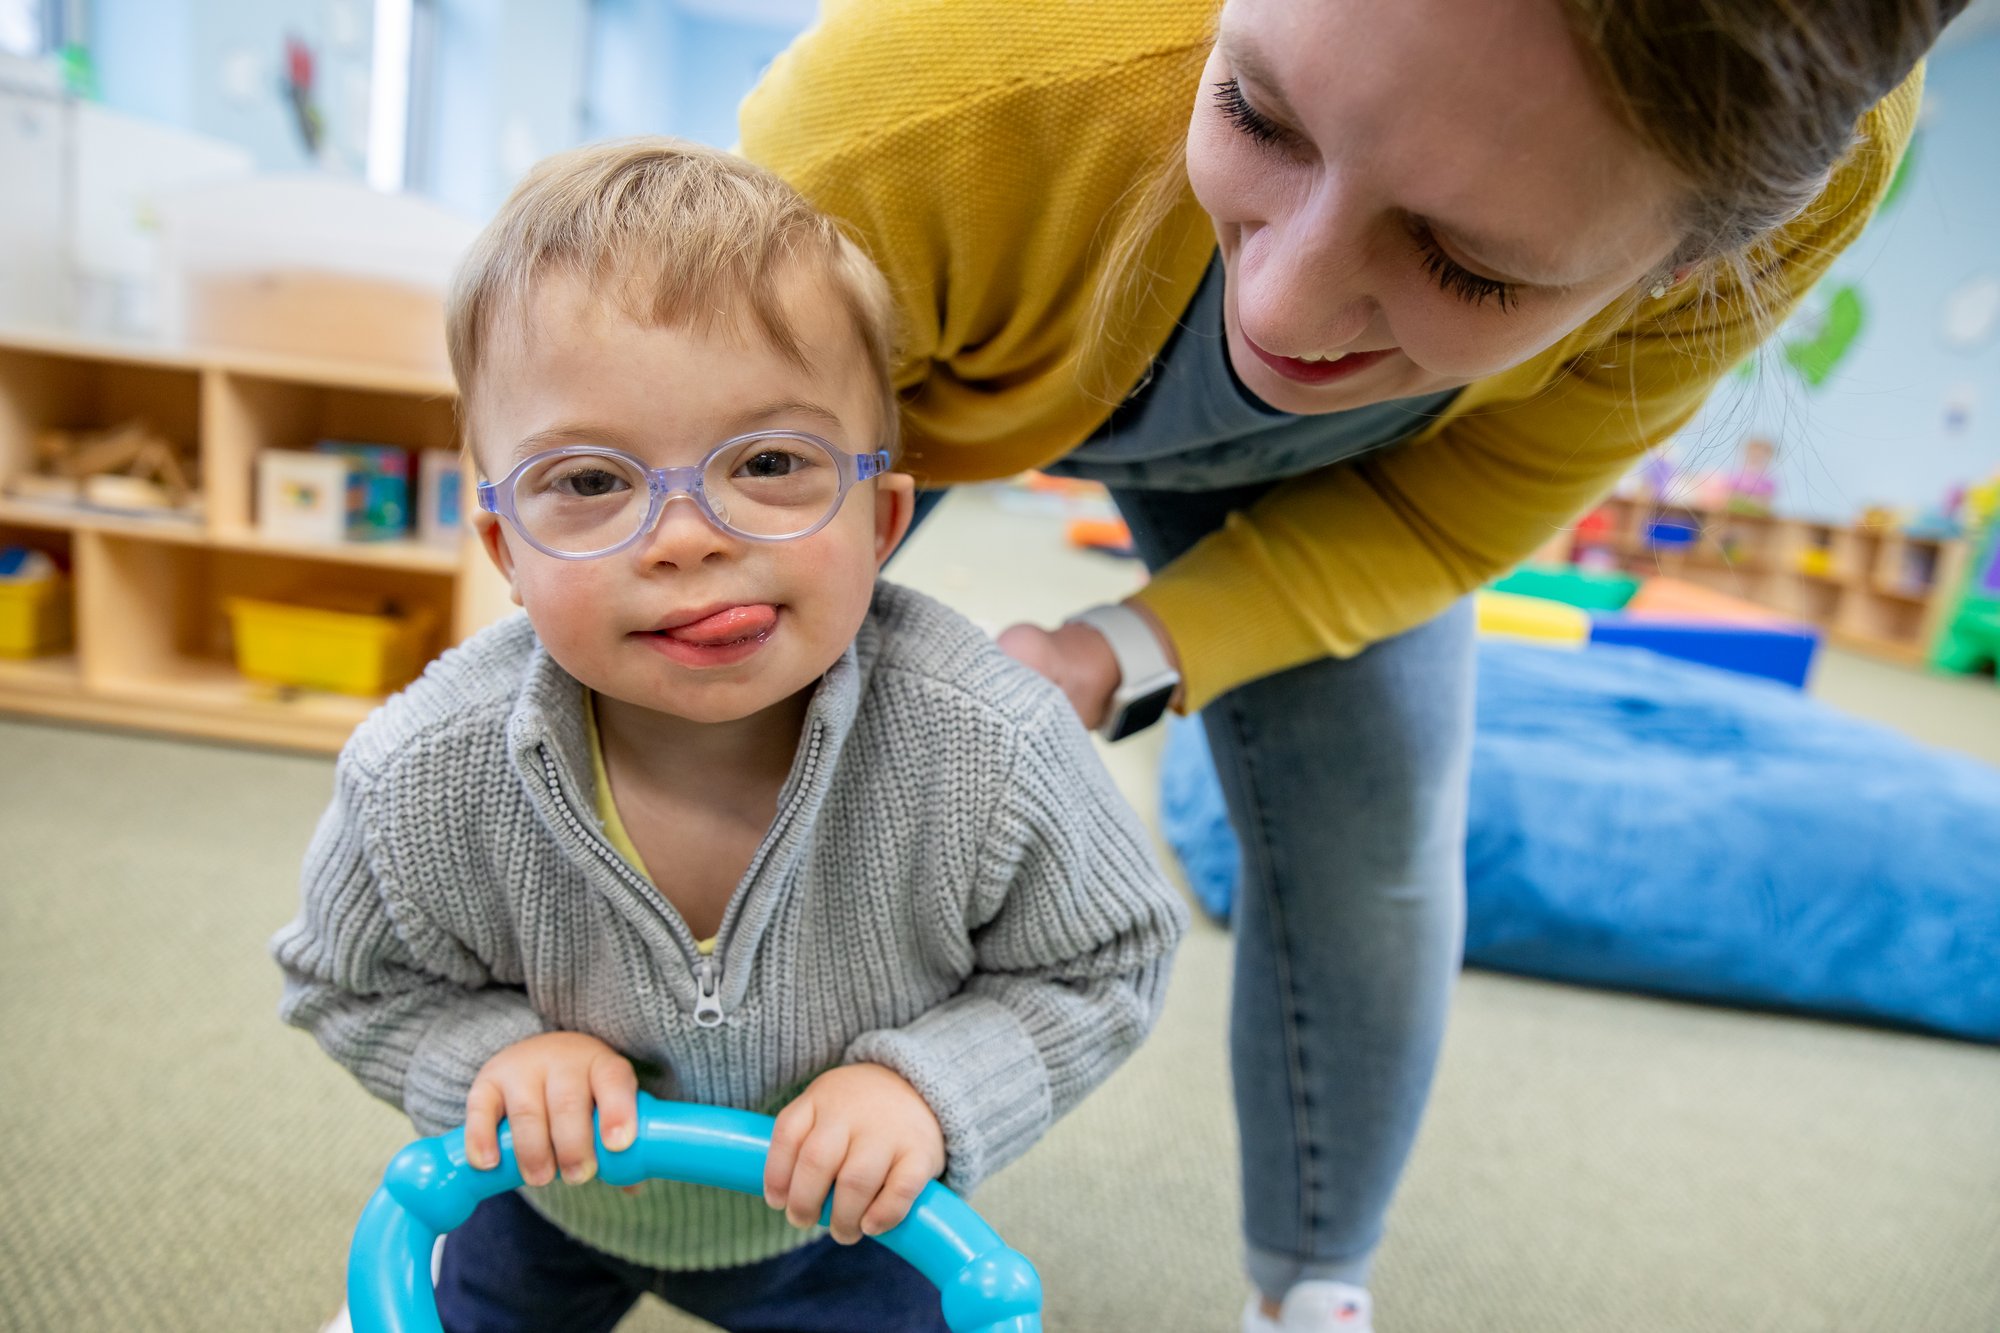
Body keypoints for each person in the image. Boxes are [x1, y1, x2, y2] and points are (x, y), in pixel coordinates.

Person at [738, 1, 1967, 1328]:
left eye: (1470, 263)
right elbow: (671, 514)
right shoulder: (903, 115)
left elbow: (1451, 514)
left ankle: (1313, 1287)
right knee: (712, 725)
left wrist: (1116, 655)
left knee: (1378, 835)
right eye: (1255, 116)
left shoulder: (1800, 173)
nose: (1283, 309)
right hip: (908, 373)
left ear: (1684, 260)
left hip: (1375, 465)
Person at [270, 138, 1187, 1333]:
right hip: (544, 1198)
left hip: (843, 1214)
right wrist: (486, 1064)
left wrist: (929, 1090)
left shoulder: (988, 745)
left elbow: (1104, 957)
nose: (687, 537)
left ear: (881, 517)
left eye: (766, 462)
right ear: (504, 549)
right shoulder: (424, 769)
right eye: (590, 481)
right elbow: (344, 976)